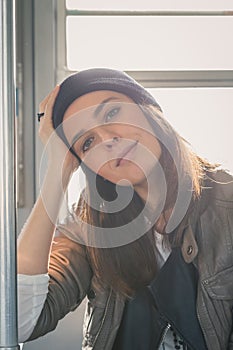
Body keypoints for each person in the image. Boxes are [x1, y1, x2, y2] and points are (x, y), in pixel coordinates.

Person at [17, 68, 233, 350]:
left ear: (149, 111)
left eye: (111, 113)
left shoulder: (226, 204)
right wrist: (57, 169)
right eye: (87, 143)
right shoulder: (88, 228)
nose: (107, 139)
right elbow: (18, 321)